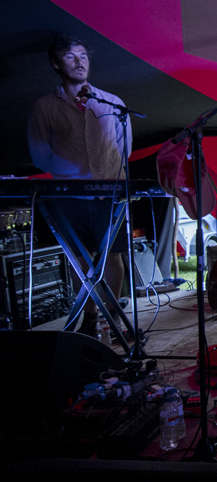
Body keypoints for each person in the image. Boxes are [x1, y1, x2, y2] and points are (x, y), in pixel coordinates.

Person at [28, 34, 132, 337]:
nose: (79, 62)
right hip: (70, 194)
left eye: (83, 55)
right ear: (56, 63)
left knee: (112, 255)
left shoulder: (112, 102)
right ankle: (88, 317)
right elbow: (40, 155)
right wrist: (71, 173)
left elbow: (124, 148)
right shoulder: (45, 106)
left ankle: (112, 317)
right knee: (79, 258)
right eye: (71, 57)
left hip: (110, 193)